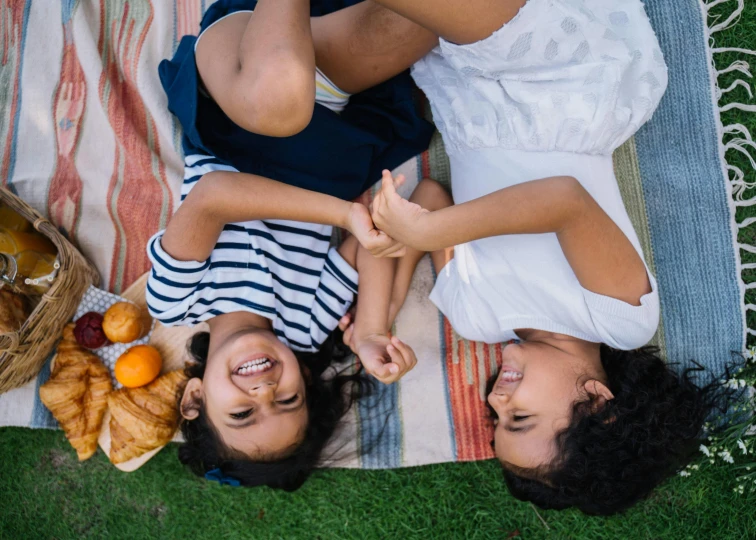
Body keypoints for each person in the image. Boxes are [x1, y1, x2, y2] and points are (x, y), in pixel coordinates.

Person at [359, 0, 716, 515]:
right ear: (597, 402)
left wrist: (372, 327)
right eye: (519, 419)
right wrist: (431, 229)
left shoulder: (475, 318)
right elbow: (564, 202)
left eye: (496, 420)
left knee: (308, 67)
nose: (497, 402)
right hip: (560, 86)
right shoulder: (618, 320)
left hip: (471, 100)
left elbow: (432, 198)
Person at [150, 0, 441, 489]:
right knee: (442, 15)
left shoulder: (176, 300)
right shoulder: (305, 328)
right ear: (306, 384)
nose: (265, 389)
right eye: (287, 401)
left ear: (195, 399)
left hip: (236, 94)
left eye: (242, 412)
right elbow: (373, 246)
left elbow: (213, 197)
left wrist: (341, 212)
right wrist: (370, 328)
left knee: (278, 99)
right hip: (329, 109)